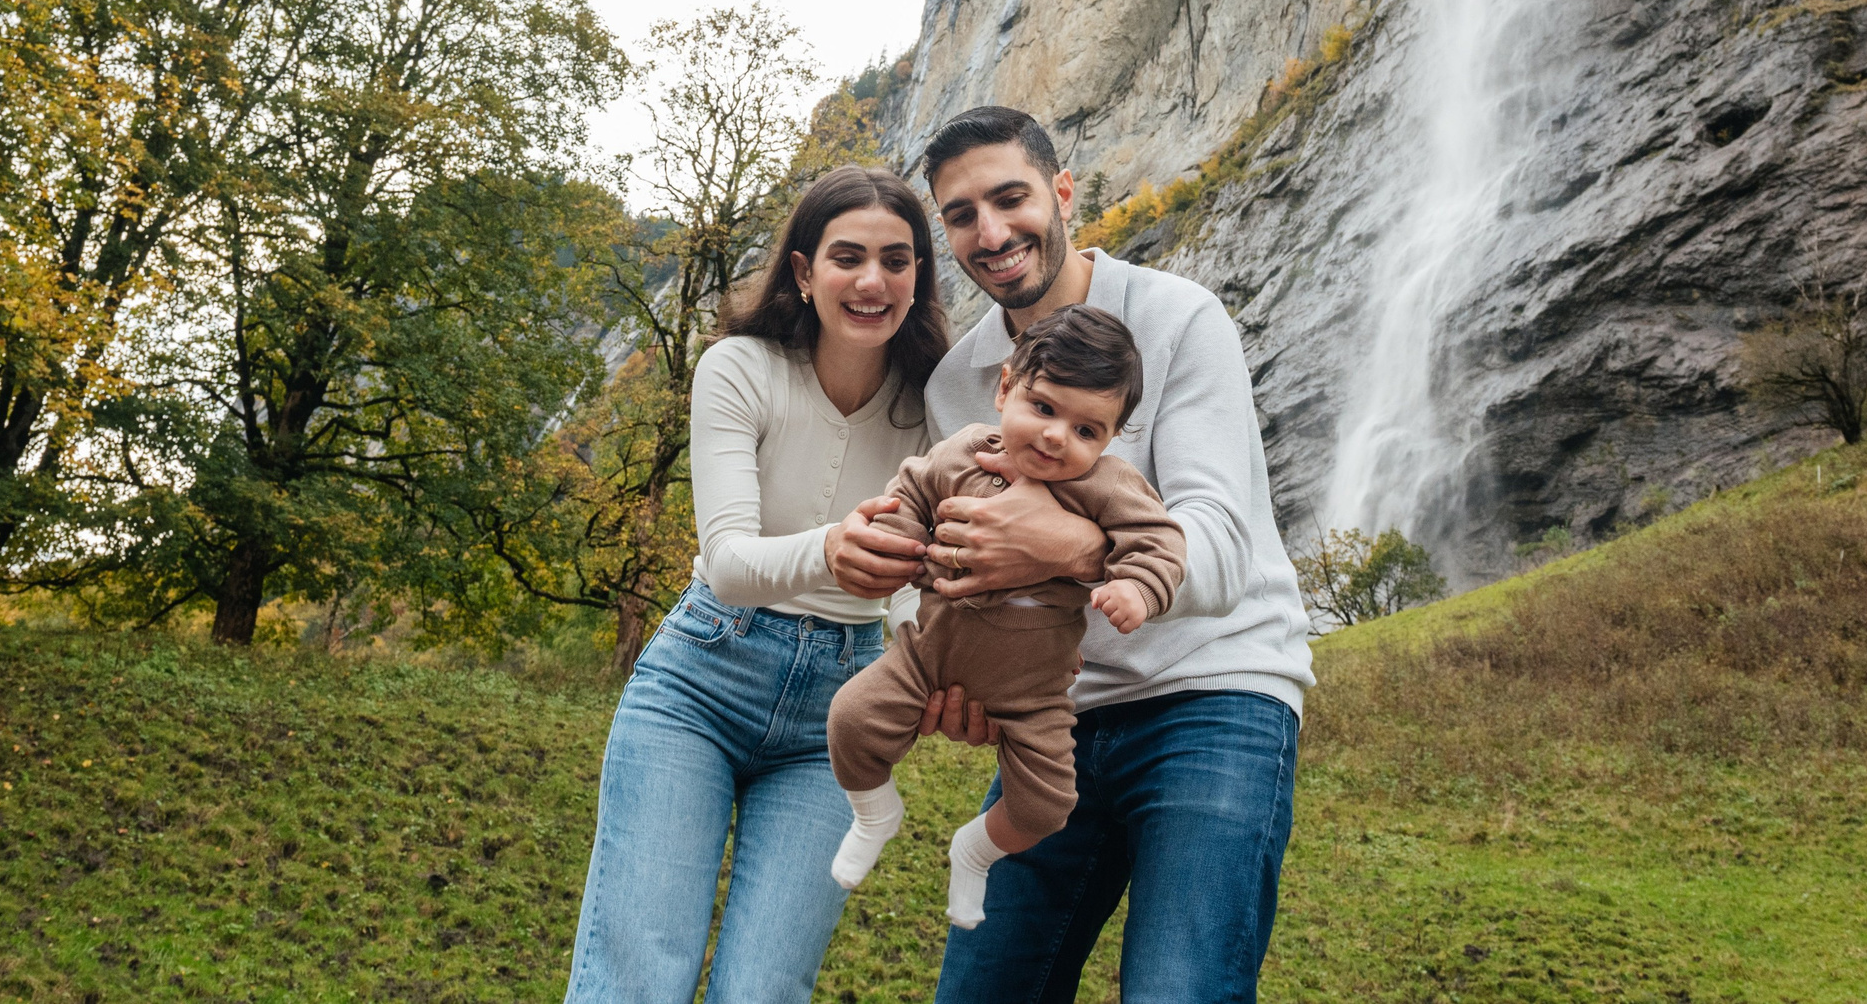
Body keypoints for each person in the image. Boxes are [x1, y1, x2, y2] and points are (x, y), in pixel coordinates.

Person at [828, 105, 1315, 1003]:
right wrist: (944, 662)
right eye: (962, 214)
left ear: (1061, 192)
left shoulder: (1178, 318)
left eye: (1010, 198)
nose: (992, 231)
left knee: (1180, 986)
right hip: (1055, 713)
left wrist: (1078, 549)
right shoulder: (958, 383)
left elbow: (1223, 543)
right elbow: (955, 562)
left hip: (1217, 697)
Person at [563, 165, 951, 1004]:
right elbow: (732, 560)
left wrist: (923, 666)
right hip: (701, 679)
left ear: (919, 277)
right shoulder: (740, 368)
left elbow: (935, 575)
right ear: (805, 273)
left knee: (763, 990)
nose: (873, 279)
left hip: (838, 715)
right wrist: (837, 549)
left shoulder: (935, 403)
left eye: (898, 258)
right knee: (638, 977)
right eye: (847, 256)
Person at [824, 305, 1185, 929]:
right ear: (1005, 388)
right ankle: (874, 811)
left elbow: (1160, 542)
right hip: (926, 655)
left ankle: (976, 851)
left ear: (1111, 438)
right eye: (1043, 409)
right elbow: (911, 490)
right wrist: (900, 541)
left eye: (1086, 431)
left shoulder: (1106, 487)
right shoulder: (964, 451)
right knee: (850, 721)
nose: (1055, 438)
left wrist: (1137, 589)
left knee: (1047, 805)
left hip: (1034, 690)